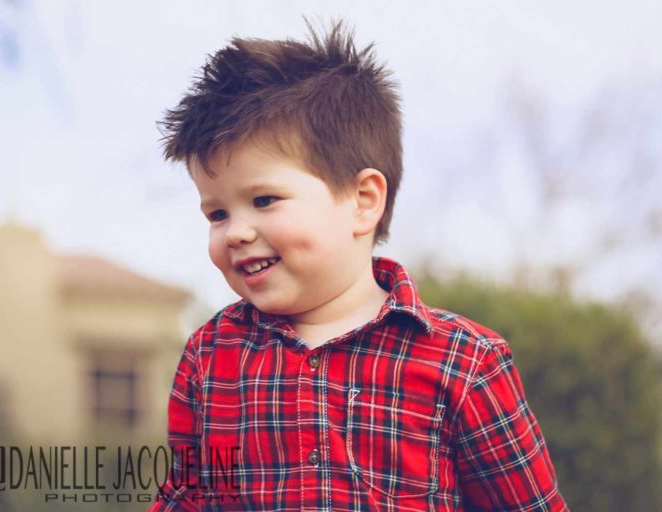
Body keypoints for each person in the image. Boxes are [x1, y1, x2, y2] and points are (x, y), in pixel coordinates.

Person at [148, 19, 569, 511]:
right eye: (217, 213)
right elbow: (189, 498)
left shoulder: (465, 363)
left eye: (263, 199)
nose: (235, 232)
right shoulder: (211, 357)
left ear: (363, 201)